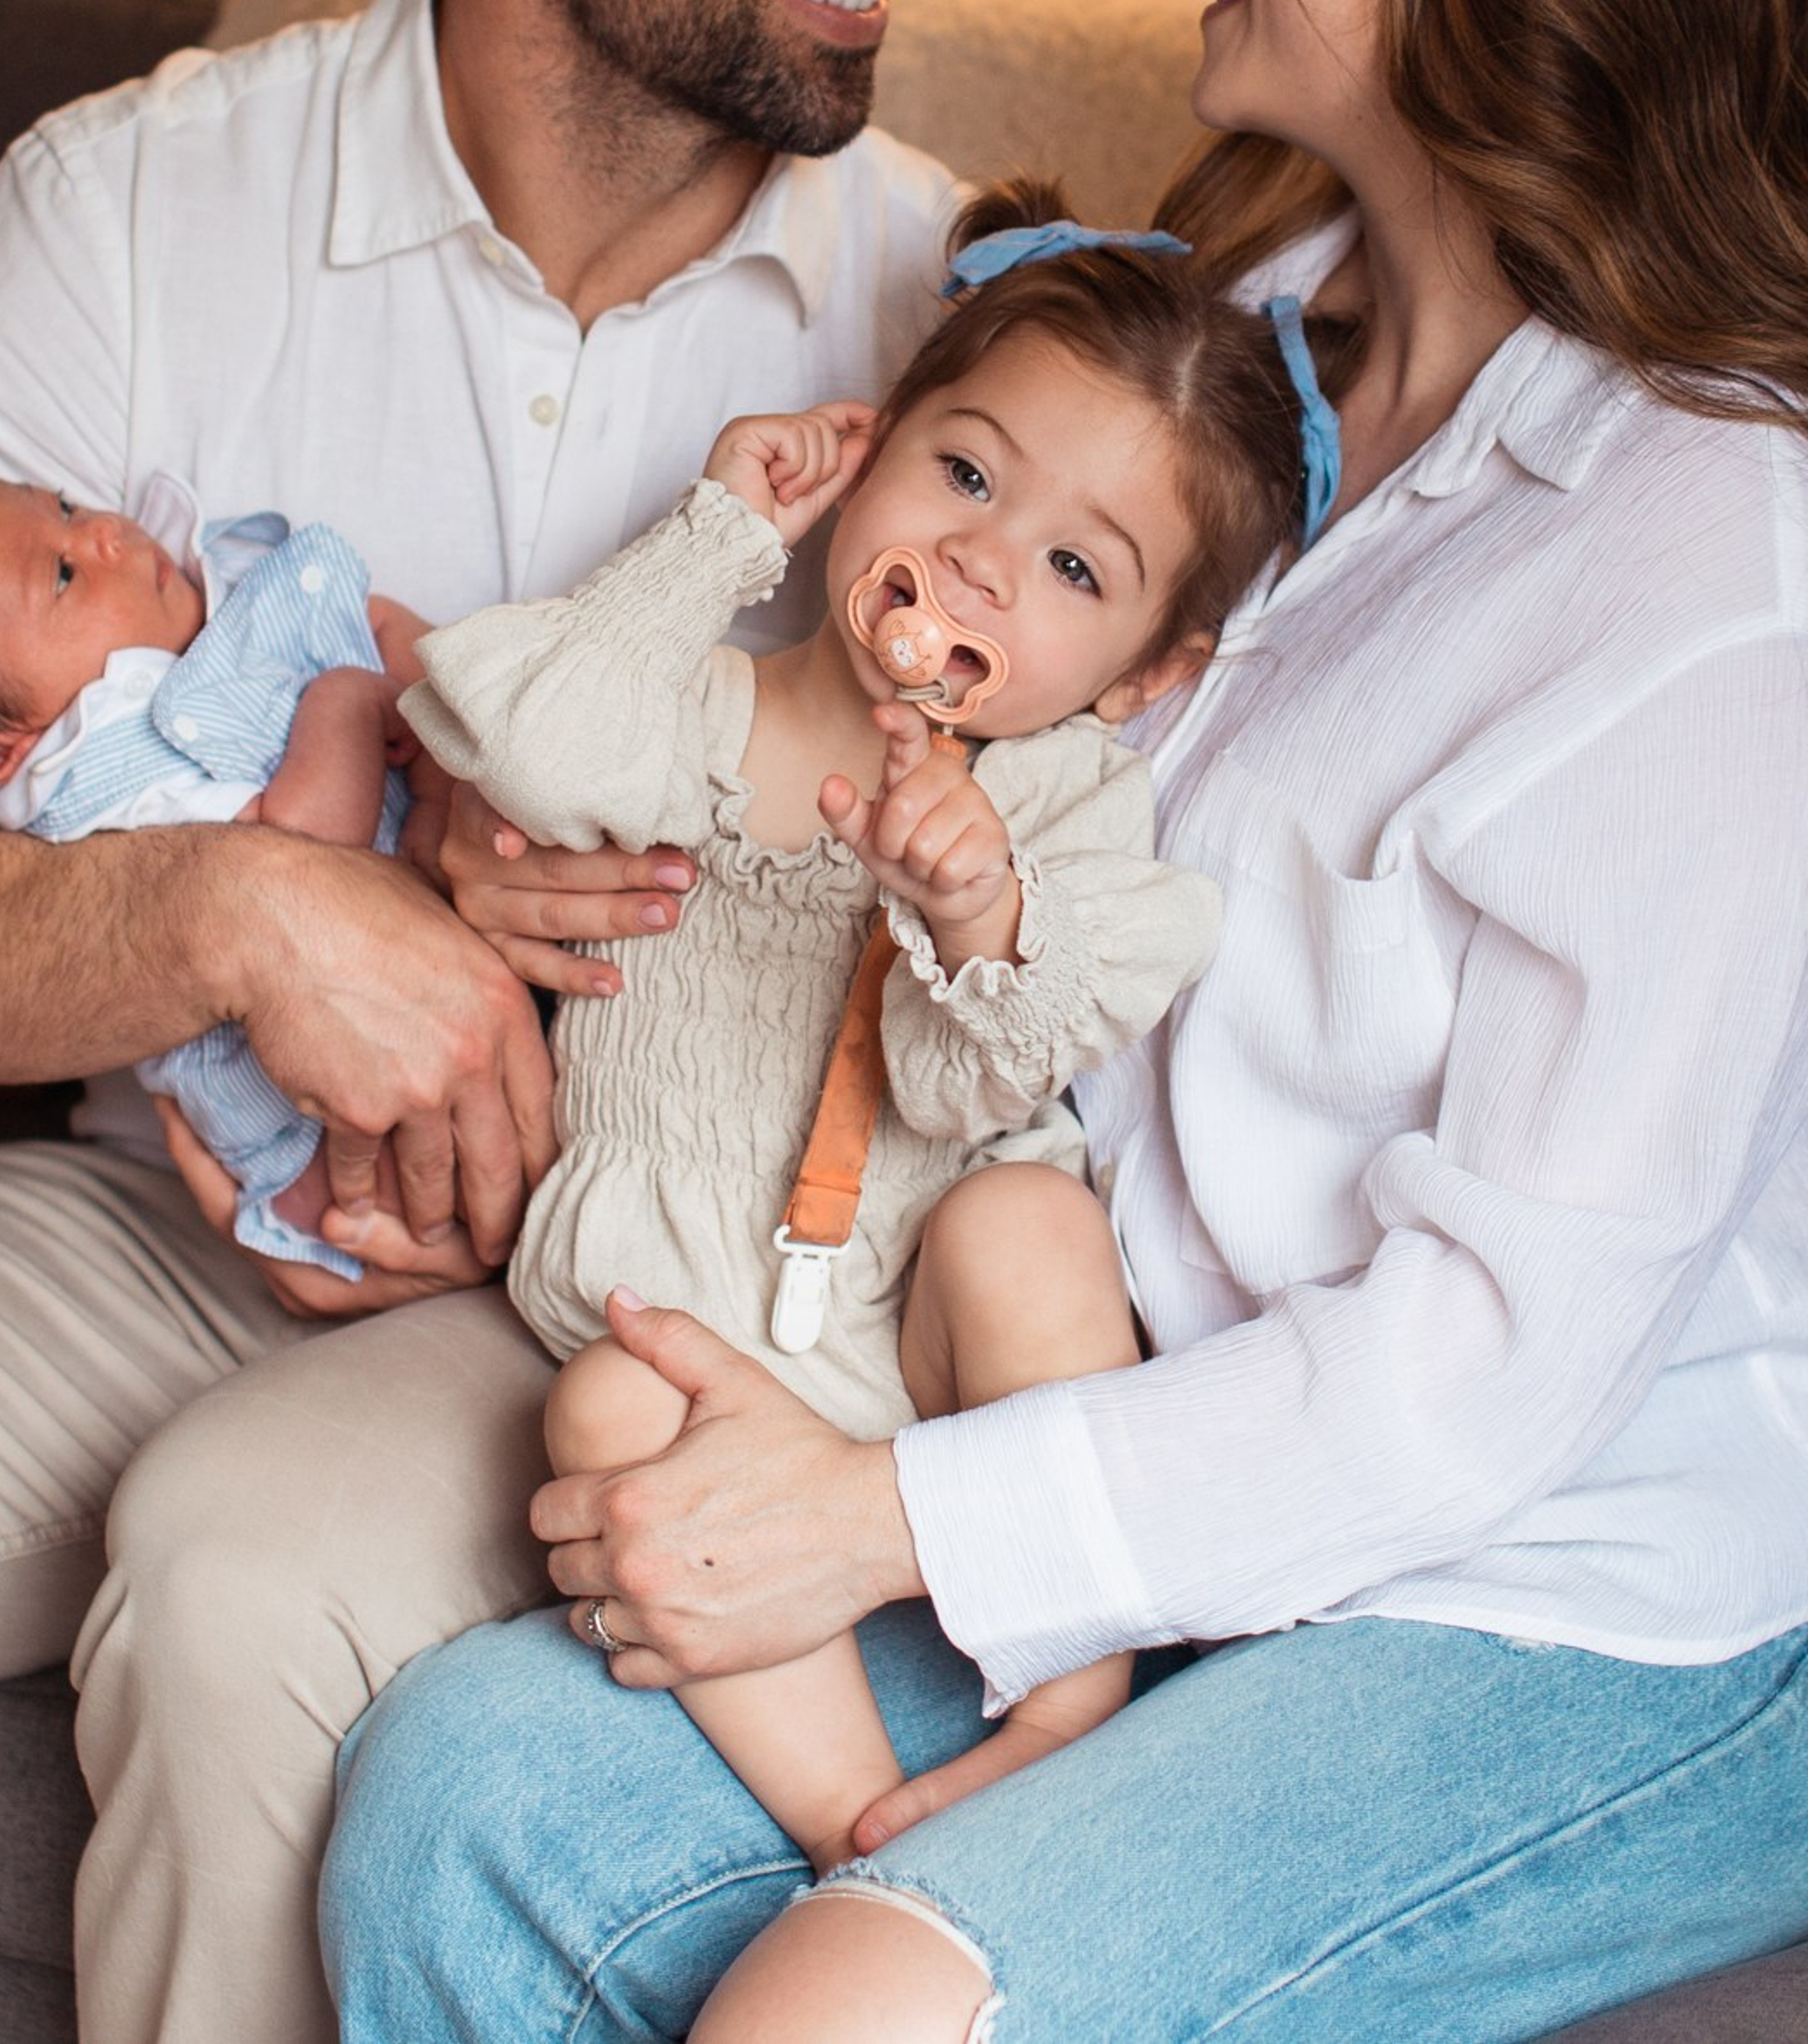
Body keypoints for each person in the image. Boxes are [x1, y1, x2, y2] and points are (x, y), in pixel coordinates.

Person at [326, 0, 1808, 2044]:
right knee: (459, 1803)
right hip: (1198, 1516)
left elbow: (1488, 1373)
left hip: (1618, 1593)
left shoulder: (1730, 561)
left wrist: (868, 1515)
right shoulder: (1224, 364)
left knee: (858, 2005)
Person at [0, 0, 953, 2044]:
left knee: (230, 1572)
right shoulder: (127, 222)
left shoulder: (965, 330)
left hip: (647, 1308)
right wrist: (232, 908)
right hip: (164, 1222)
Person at [405, 183, 1307, 1869]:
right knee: (597, 1417)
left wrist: (968, 911)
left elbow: (975, 1079)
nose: (974, 558)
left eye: (1067, 568)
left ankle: (1068, 1704)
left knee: (1029, 1221)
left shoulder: (1054, 814)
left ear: (1139, 673)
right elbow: (517, 741)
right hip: (687, 1326)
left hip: (921, 1336)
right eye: (962, 472)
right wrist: (717, 531)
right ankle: (863, 1831)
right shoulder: (696, 705)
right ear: (872, 441)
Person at [0, 470, 441, 1276]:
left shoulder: (224, 582)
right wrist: (348, 701)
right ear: (14, 744)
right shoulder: (105, 768)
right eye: (64, 575)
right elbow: (305, 864)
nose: (103, 533)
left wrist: (449, 702)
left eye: (65, 508)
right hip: (338, 1143)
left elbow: (369, 621)